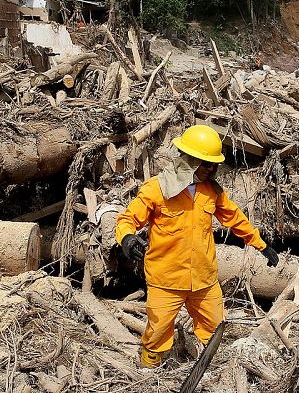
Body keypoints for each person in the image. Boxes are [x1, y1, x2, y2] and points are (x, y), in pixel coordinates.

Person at [115, 124, 280, 368]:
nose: (211, 170)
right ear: (189, 160)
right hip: (166, 279)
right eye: (206, 164)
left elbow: (234, 218)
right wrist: (127, 238)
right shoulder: (156, 189)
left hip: (204, 279)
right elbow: (127, 220)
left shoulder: (211, 192)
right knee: (158, 331)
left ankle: (210, 370)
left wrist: (261, 245)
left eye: (214, 165)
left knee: (215, 328)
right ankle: (148, 372)